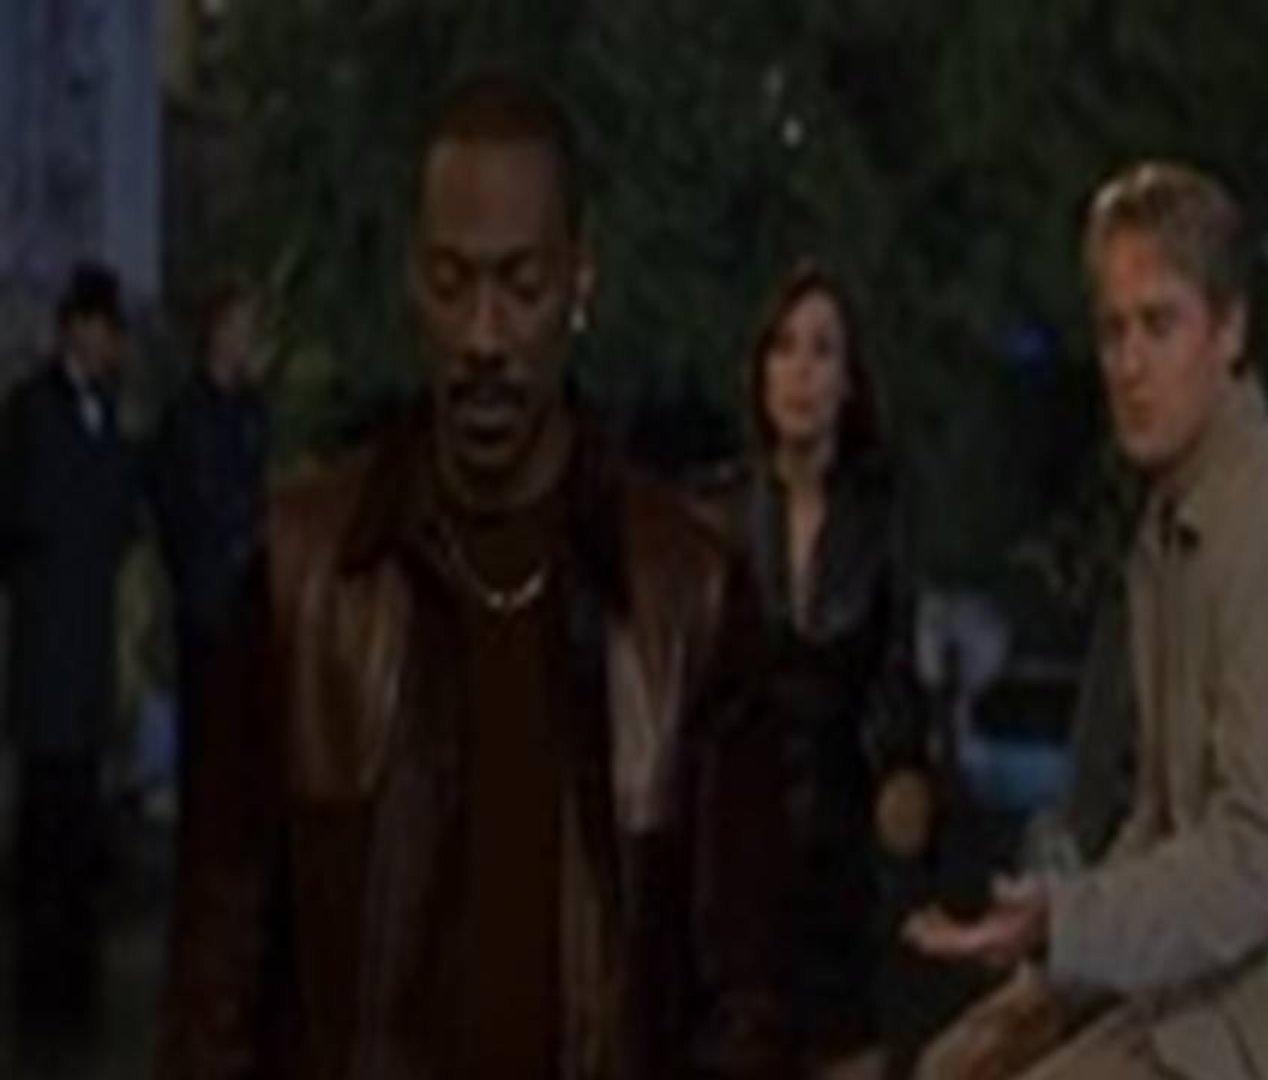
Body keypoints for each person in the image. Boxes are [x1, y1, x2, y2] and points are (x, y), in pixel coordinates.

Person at [160, 72, 790, 1078]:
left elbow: (743, 997)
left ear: (581, 281)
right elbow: (215, 979)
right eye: (452, 285)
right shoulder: (298, 575)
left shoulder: (690, 593)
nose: (484, 337)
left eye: (521, 286)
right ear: (414, 284)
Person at [905, 162, 1268, 1078]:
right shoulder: (1173, 528)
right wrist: (1048, 979)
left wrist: (1064, 925)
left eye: (1159, 325)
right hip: (1230, 1007)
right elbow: (1162, 827)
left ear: (1230, 331)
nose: (1128, 365)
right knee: (956, 1064)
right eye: (1113, 331)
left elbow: (1248, 865)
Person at [702, 260, 934, 1079]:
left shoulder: (881, 517)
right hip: (734, 851)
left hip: (842, 847)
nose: (800, 371)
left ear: (848, 382)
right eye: (784, 348)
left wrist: (905, 777)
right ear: (761, 371)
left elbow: (898, 678)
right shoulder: (717, 515)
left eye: (822, 350)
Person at [0, 261, 141, 1058]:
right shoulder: (31, 410)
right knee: (44, 835)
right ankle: (38, 1005)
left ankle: (75, 998)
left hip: (86, 653)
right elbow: (20, 513)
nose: (112, 343)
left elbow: (120, 515)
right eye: (103, 328)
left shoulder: (108, 415)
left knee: (79, 831)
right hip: (47, 649)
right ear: (75, 330)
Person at [151, 282, 270, 803]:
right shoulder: (187, 415)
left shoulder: (252, 411)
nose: (248, 339)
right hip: (206, 597)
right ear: (217, 335)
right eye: (240, 328)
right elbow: (181, 503)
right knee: (206, 734)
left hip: (248, 595)